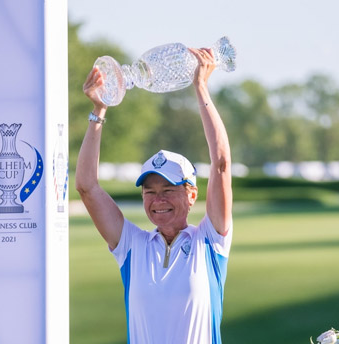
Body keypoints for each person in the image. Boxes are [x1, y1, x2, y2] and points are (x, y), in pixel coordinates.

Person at [76, 47, 233, 344]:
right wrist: (99, 110)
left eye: (169, 190)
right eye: (150, 192)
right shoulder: (132, 246)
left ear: (192, 195)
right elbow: (87, 187)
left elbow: (222, 164)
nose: (158, 200)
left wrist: (200, 88)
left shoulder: (210, 241)